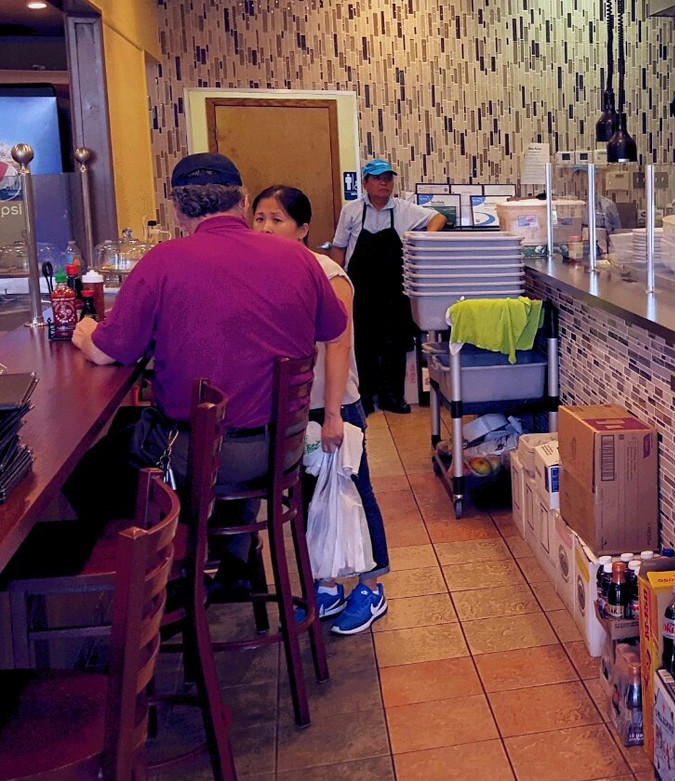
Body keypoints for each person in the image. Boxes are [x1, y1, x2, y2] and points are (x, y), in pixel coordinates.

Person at [70, 152, 347, 593]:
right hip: (280, 448)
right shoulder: (298, 258)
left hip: (195, 452)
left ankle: (171, 580)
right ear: (242, 202)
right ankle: (232, 555)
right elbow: (333, 328)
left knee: (86, 470)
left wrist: (85, 333)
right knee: (225, 423)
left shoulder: (164, 261)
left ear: (177, 211)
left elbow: (107, 352)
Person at [252, 184, 391, 634]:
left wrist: (332, 415)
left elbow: (339, 345)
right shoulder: (261, 273)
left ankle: (371, 587)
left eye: (277, 219)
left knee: (355, 492)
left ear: (303, 229)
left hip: (334, 404)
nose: (265, 228)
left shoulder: (329, 274)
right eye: (259, 218)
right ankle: (326, 585)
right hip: (291, 407)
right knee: (312, 498)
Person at [329, 158, 446, 416]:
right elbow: (339, 247)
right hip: (361, 289)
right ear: (365, 183)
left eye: (388, 178)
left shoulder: (404, 209)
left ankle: (393, 396)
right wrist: (335, 284)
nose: (384, 183)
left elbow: (438, 218)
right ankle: (365, 396)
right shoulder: (351, 211)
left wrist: (424, 240)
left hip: (394, 290)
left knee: (395, 343)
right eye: (378, 178)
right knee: (363, 343)